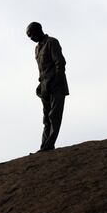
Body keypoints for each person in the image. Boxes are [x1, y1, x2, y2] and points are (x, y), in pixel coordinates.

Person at [26, 22, 69, 152]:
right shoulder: (37, 49)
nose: (31, 38)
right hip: (45, 89)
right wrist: (41, 85)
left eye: (31, 34)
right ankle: (44, 146)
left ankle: (48, 146)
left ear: (39, 30)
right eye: (28, 36)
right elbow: (42, 70)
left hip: (56, 86)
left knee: (54, 117)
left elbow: (60, 63)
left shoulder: (52, 42)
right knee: (46, 119)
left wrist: (56, 81)